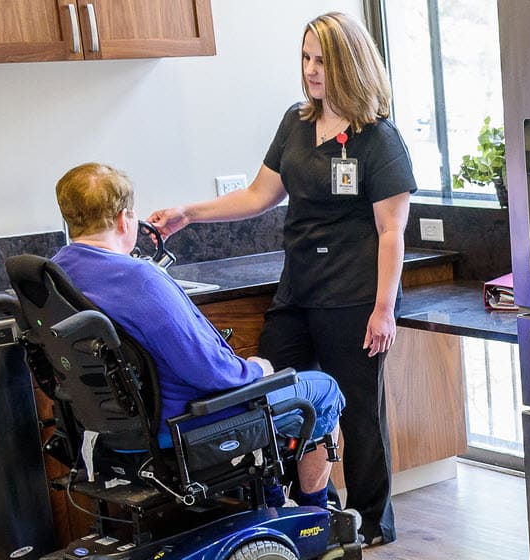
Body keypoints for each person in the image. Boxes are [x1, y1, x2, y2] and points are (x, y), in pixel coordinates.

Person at [146, 12, 414, 544]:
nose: (312, 71)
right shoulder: (295, 121)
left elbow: (391, 232)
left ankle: (372, 521)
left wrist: (383, 309)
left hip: (355, 298)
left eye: (322, 61)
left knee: (357, 412)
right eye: (307, 59)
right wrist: (189, 214)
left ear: (349, 65)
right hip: (300, 289)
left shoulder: (378, 139)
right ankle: (315, 508)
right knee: (275, 400)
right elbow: (258, 195)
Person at [50, 162, 345, 509]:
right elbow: (211, 372)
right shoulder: (140, 281)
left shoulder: (56, 276)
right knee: (323, 390)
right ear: (123, 219)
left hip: (113, 426)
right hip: (183, 420)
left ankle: (275, 502)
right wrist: (257, 370)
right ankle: (316, 512)